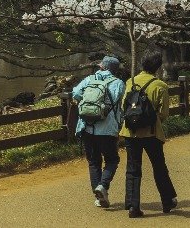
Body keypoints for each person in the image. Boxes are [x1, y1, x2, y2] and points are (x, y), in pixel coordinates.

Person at [120, 50, 178, 218]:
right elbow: (164, 113)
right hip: (152, 133)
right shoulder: (160, 85)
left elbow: (125, 105)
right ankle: (167, 201)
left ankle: (133, 206)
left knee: (132, 168)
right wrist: (150, 120)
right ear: (158, 67)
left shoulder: (130, 82)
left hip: (130, 132)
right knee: (159, 167)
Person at [71, 55, 126, 209]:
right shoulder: (119, 83)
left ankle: (98, 195)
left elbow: (75, 93)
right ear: (114, 70)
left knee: (94, 162)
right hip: (108, 129)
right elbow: (118, 103)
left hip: (88, 127)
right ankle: (103, 186)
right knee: (112, 160)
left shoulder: (89, 79)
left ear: (102, 66)